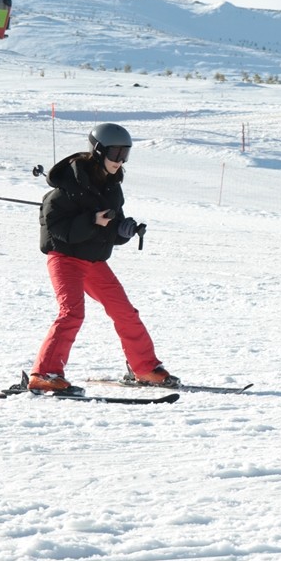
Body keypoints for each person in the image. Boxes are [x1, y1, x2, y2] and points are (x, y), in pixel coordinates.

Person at [28, 123, 178, 392]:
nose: (120, 161)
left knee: (125, 313)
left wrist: (124, 230)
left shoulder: (111, 186)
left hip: (94, 260)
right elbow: (58, 231)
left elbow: (111, 229)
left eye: (125, 154)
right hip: (65, 258)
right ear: (98, 151)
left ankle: (144, 368)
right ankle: (44, 374)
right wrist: (92, 220)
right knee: (72, 313)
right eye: (115, 153)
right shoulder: (66, 188)